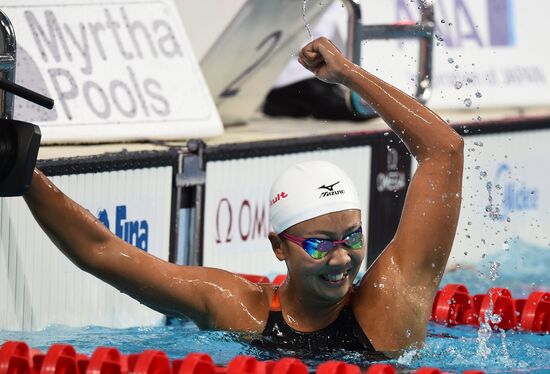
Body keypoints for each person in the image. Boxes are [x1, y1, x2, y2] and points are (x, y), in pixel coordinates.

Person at [22, 37, 463, 357]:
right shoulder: (238, 310)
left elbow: (445, 151)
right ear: (277, 247)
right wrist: (23, 169)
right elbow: (101, 252)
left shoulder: (389, 304)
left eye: (352, 237)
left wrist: (347, 74)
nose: (342, 259)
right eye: (318, 243)